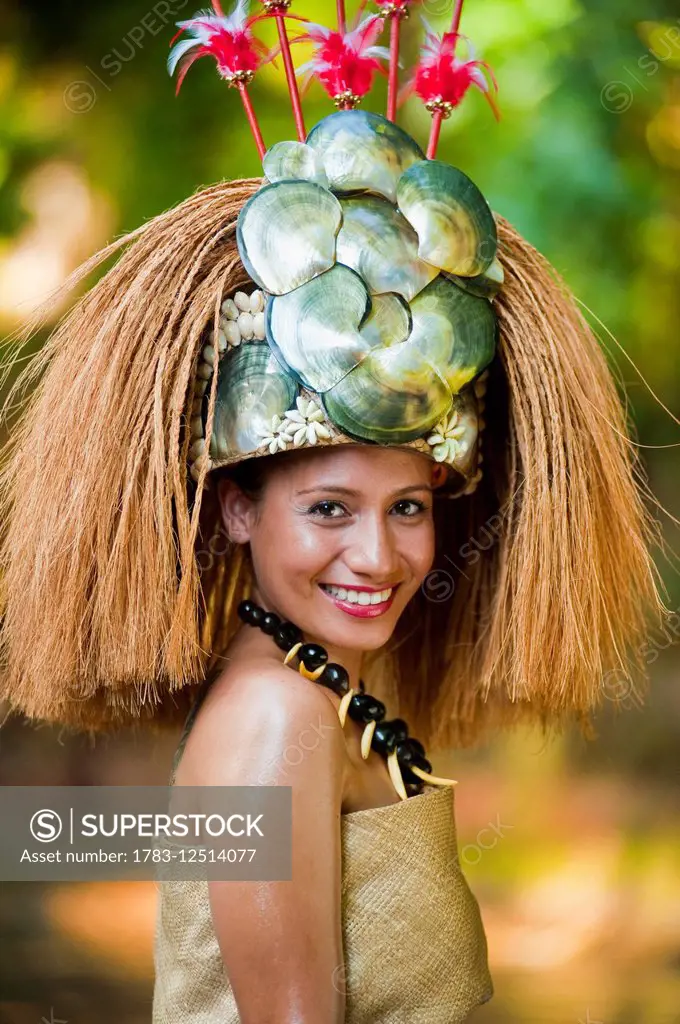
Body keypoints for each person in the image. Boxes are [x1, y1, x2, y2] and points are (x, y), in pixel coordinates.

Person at [0, 2, 665, 1021]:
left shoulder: (319, 698)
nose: (377, 552)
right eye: (325, 506)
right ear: (235, 510)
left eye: (406, 505)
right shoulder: (277, 719)